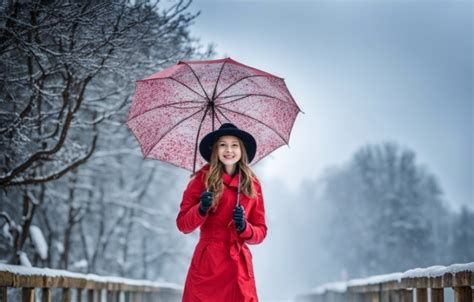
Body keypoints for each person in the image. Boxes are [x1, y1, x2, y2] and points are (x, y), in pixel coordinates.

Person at [176, 123, 267, 302]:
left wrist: (244, 227)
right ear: (215, 149)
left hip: (238, 266)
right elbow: (183, 225)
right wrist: (201, 209)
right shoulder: (202, 179)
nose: (229, 150)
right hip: (209, 264)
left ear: (242, 150)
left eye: (234, 145)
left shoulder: (252, 184)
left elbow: (261, 232)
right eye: (222, 144)